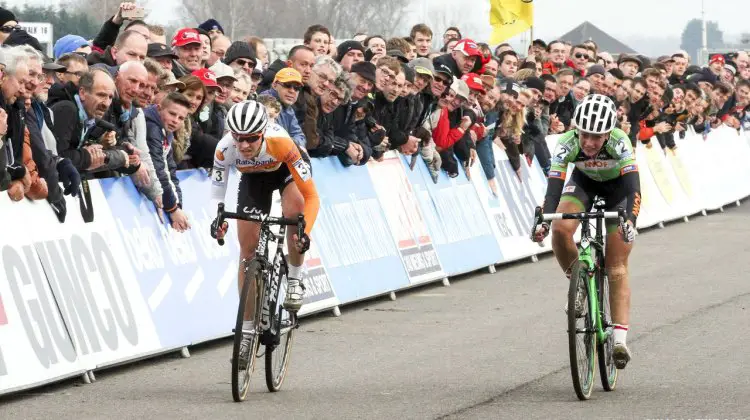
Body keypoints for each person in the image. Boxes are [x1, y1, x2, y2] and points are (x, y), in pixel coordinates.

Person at [532, 94, 640, 370]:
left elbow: (632, 188)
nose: (590, 143)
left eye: (597, 137)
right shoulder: (566, 143)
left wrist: (631, 220)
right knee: (560, 228)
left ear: (608, 134)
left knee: (616, 267)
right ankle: (578, 282)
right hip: (583, 185)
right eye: (584, 135)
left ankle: (619, 340)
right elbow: (554, 186)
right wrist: (544, 220)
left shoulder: (620, 141)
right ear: (576, 129)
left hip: (618, 191)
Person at [209, 100, 319, 367]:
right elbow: (217, 193)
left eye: (251, 139)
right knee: (247, 254)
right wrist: (218, 220)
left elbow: (312, 196)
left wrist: (305, 232)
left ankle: (294, 278)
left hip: (286, 171)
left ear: (263, 132)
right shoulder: (225, 149)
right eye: (239, 139)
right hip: (254, 180)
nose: (244, 146)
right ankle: (247, 332)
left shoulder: (280, 142)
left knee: (294, 214)